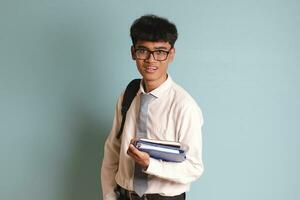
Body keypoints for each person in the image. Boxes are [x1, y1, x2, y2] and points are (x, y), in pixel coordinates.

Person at [101, 14, 204, 200]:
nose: (151, 59)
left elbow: (194, 167)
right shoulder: (129, 94)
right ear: (133, 52)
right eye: (143, 51)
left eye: (160, 52)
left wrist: (150, 164)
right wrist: (109, 196)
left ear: (171, 54)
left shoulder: (184, 105)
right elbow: (112, 150)